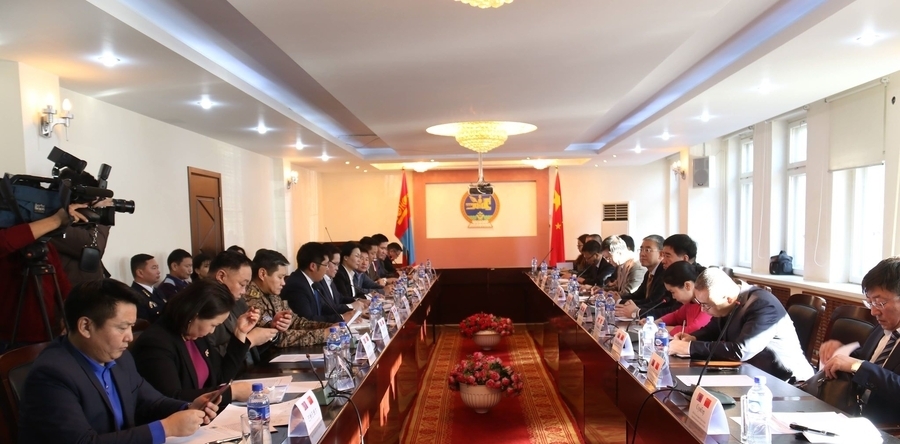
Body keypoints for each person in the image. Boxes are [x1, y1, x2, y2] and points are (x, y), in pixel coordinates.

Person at [18, 278, 219, 443]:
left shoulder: (120, 358)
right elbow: (83, 442)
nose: (129, 337)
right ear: (86, 327)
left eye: (131, 327)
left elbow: (150, 402)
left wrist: (187, 408)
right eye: (122, 328)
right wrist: (166, 428)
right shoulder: (52, 375)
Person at [669, 268, 814, 382]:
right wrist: (693, 338)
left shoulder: (762, 305)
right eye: (700, 303)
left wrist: (689, 348)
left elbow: (741, 350)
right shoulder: (728, 302)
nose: (702, 310)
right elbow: (714, 329)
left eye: (706, 305)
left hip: (785, 381)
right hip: (751, 373)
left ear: (729, 299)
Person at [130, 280, 254, 405]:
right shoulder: (156, 343)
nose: (212, 331)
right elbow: (171, 398)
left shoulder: (194, 334)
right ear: (194, 315)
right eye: (213, 325)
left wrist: (240, 333)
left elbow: (221, 377)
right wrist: (231, 393)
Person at [819, 257, 900, 424]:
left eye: (879, 303)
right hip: (852, 413)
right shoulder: (883, 328)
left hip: (888, 427)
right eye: (870, 303)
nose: (873, 312)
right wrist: (842, 352)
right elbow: (868, 359)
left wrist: (857, 365)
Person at [0, 204, 87, 351]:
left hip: (45, 337)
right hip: (6, 340)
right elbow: (5, 242)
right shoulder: (8, 240)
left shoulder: (44, 246)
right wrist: (56, 220)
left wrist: (71, 316)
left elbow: (62, 287)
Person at [246, 249, 334, 347]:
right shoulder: (249, 299)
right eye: (280, 277)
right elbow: (276, 338)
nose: (283, 283)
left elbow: (296, 322)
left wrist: (330, 327)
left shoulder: (272, 294)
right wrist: (323, 334)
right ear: (262, 274)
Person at [204, 251, 277, 357]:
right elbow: (207, 356)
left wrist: (271, 330)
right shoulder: (202, 305)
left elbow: (252, 351)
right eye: (242, 284)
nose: (244, 292)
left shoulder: (238, 301)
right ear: (221, 276)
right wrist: (248, 340)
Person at [617, 234, 696, 320]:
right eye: (663, 255)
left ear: (684, 259)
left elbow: (672, 311)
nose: (663, 261)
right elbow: (661, 303)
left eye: (667, 256)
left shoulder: (697, 279)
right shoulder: (672, 274)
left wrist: (637, 312)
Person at [282, 242, 356, 323]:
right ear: (313, 266)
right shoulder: (297, 286)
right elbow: (308, 320)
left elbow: (324, 307)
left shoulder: (313, 282)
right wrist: (341, 317)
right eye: (326, 265)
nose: (327, 268)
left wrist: (350, 312)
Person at [655, 261, 711, 336]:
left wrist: (662, 329)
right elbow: (676, 316)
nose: (673, 297)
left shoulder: (708, 304)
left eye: (673, 292)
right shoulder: (691, 303)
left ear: (687, 285)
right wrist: (655, 323)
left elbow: (694, 330)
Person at [316, 243, 367, 315]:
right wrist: (351, 306)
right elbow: (326, 309)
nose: (337, 268)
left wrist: (359, 300)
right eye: (335, 264)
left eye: (338, 264)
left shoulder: (330, 280)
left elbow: (340, 298)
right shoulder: (318, 282)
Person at [618, 235, 665, 304]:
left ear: (661, 254)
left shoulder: (664, 274)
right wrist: (619, 297)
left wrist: (619, 301)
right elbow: (638, 295)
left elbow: (652, 302)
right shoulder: (649, 273)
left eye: (647, 250)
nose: (642, 254)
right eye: (641, 250)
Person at [130, 254, 167, 323]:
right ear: (140, 273)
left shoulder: (158, 291)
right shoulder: (134, 296)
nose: (158, 272)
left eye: (157, 268)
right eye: (154, 268)